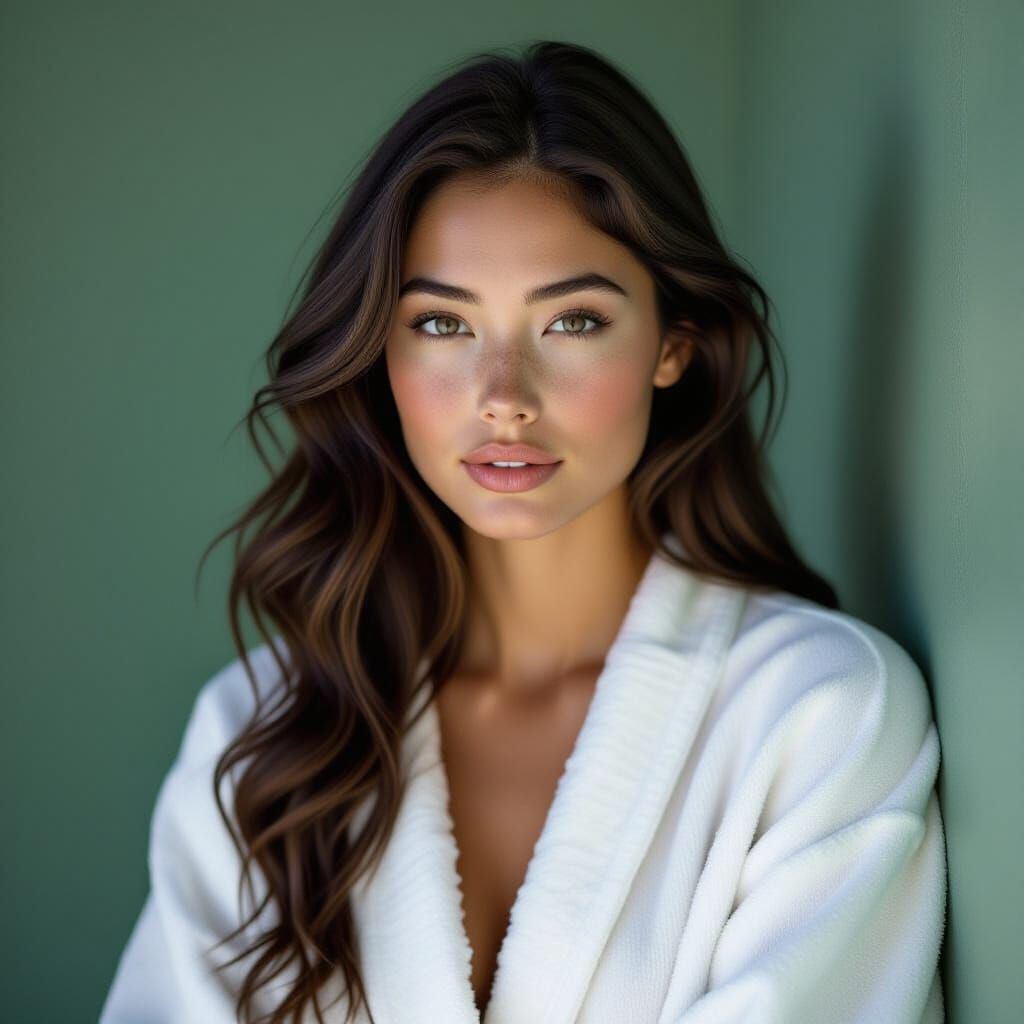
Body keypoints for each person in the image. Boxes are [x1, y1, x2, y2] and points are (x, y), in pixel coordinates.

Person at [99, 39, 946, 1024]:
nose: (502, 398)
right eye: (443, 326)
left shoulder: (817, 718)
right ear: (379, 352)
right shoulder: (259, 736)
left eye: (571, 322)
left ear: (672, 344)